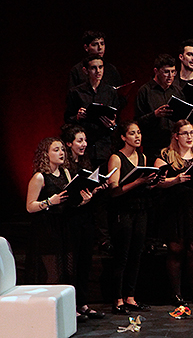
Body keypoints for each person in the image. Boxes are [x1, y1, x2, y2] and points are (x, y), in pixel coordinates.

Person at [25, 136, 97, 322]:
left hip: (64, 226)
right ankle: (48, 314)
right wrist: (50, 201)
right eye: (56, 150)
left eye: (62, 150)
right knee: (52, 272)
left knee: (67, 270)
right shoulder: (40, 177)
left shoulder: (65, 173)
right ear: (46, 154)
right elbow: (30, 206)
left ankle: (67, 309)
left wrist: (82, 201)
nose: (61, 153)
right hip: (47, 229)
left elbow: (68, 201)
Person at [154, 120, 193, 306]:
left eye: (191, 133)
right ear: (176, 136)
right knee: (176, 250)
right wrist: (176, 180)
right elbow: (157, 181)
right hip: (175, 206)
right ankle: (176, 294)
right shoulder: (165, 155)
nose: (189, 137)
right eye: (185, 133)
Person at [106, 121, 155, 315]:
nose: (137, 136)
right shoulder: (116, 158)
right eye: (132, 133)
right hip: (123, 211)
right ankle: (117, 299)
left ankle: (130, 297)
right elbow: (114, 190)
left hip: (140, 209)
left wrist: (150, 182)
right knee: (122, 255)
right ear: (123, 137)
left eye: (139, 133)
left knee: (136, 254)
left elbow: (142, 184)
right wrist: (138, 182)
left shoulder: (141, 156)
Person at [59, 125, 107, 320]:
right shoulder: (65, 167)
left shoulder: (85, 163)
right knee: (73, 263)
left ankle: (84, 303)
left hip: (86, 217)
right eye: (79, 140)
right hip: (71, 219)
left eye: (85, 140)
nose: (84, 144)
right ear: (69, 143)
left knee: (86, 261)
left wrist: (95, 189)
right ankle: (72, 306)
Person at [65, 54, 124, 168]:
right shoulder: (76, 92)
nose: (98, 71)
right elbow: (67, 118)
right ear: (85, 70)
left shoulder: (110, 92)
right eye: (93, 68)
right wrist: (77, 117)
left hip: (105, 146)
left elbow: (118, 120)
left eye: (101, 67)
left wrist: (113, 124)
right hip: (85, 147)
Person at [135, 54, 184, 161]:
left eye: (173, 72)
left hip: (174, 146)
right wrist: (155, 115)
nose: (170, 76)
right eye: (166, 72)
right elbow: (138, 121)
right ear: (156, 71)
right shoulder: (145, 91)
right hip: (154, 147)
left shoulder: (177, 91)